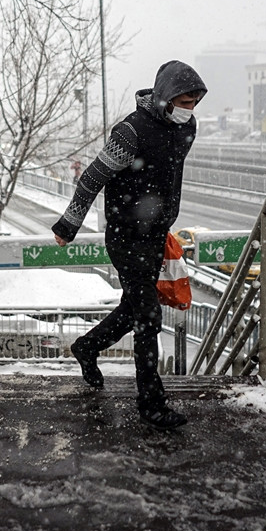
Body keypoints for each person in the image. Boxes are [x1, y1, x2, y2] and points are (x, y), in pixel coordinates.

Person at [52, 60, 206, 430]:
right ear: (164, 97)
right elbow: (91, 178)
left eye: (194, 104)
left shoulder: (187, 130)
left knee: (133, 309)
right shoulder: (130, 133)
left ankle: (87, 347)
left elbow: (170, 177)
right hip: (124, 237)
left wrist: (165, 219)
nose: (189, 111)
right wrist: (68, 225)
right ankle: (150, 403)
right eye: (183, 103)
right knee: (149, 316)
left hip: (153, 235)